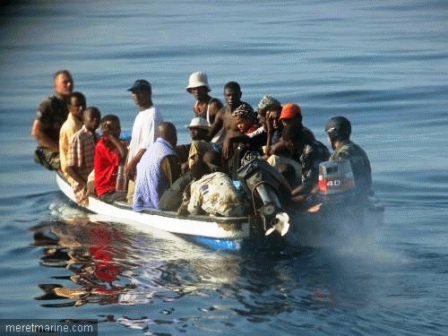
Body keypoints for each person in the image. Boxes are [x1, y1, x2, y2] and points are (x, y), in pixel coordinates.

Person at [125, 79, 164, 204]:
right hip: (135, 167)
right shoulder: (141, 114)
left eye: (139, 92)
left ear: (148, 93)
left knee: (135, 201)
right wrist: (128, 162)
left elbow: (148, 145)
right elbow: (134, 144)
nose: (136, 95)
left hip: (143, 169)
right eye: (134, 92)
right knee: (132, 199)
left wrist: (132, 162)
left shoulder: (152, 115)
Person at [133, 122, 181, 211]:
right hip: (157, 206)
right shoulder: (168, 155)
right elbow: (175, 188)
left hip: (140, 205)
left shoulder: (150, 150)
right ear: (173, 136)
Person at [279, 120, 330, 205]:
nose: (286, 146)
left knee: (288, 204)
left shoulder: (309, 153)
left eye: (286, 143)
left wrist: (289, 196)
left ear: (291, 143)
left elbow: (308, 184)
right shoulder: (315, 144)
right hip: (318, 182)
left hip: (319, 189)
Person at [32, 70, 74, 170]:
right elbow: (36, 132)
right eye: (65, 82)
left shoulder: (73, 104)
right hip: (51, 150)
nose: (69, 84)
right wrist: (58, 148)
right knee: (70, 163)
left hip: (69, 147)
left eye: (71, 82)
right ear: (56, 86)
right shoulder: (49, 104)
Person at [325, 116, 373, 200]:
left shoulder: (338, 155)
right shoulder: (359, 150)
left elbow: (331, 186)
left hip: (347, 202)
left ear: (332, 135)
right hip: (364, 197)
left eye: (328, 135)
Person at [66, 107, 101, 205]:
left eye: (98, 117)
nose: (96, 119)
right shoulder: (78, 138)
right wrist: (85, 184)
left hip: (95, 181)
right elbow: (69, 168)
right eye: (92, 117)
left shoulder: (98, 137)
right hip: (83, 184)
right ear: (84, 119)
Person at [94, 115, 128, 203]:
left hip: (118, 187)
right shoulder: (102, 145)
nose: (116, 132)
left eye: (117, 128)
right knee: (132, 196)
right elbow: (123, 156)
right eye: (111, 129)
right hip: (106, 190)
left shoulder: (118, 143)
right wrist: (110, 137)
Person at [59, 92, 86, 181]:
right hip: (73, 172)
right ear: (69, 108)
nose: (81, 108)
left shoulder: (83, 121)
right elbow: (74, 160)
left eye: (83, 105)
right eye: (77, 106)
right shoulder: (71, 127)